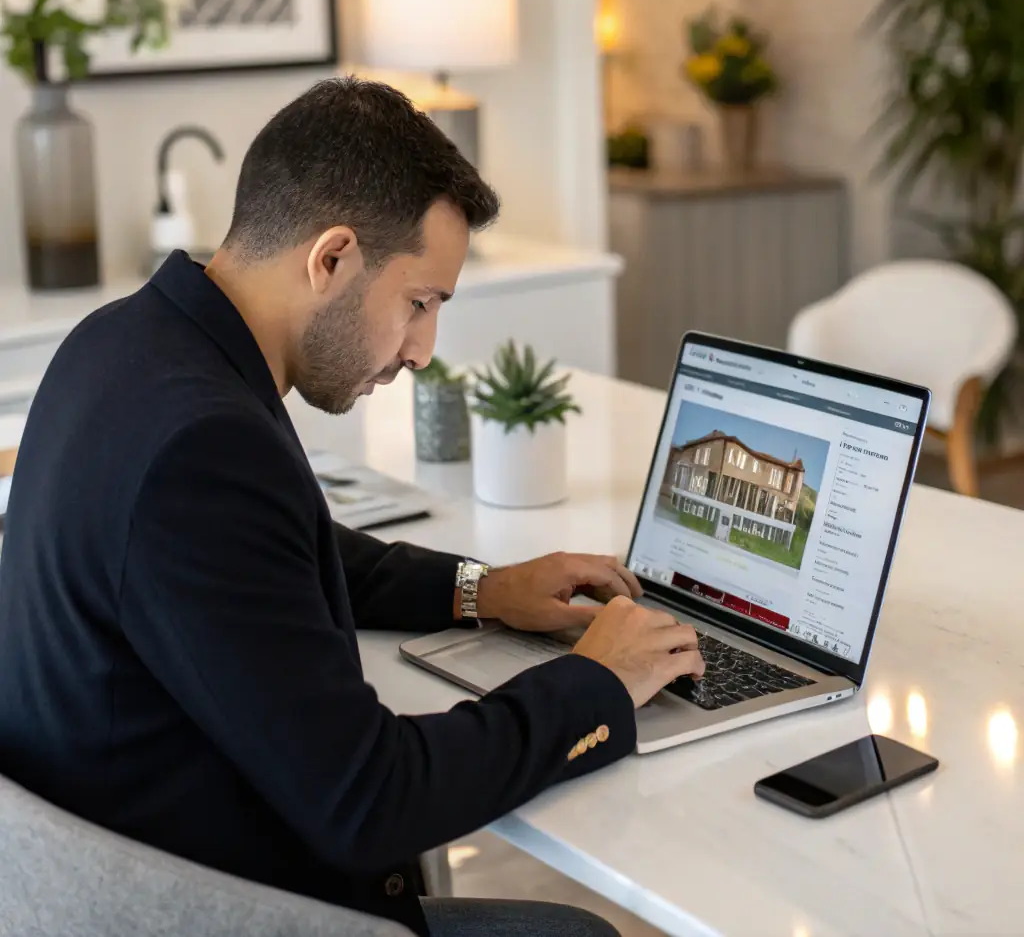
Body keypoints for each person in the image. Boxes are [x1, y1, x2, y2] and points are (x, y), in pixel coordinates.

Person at [0, 78, 704, 937]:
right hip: (213, 907)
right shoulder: (204, 446)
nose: (422, 349)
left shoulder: (123, 344)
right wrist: (599, 681)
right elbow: (373, 800)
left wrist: (485, 589)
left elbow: (279, 552)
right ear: (331, 257)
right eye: (420, 302)